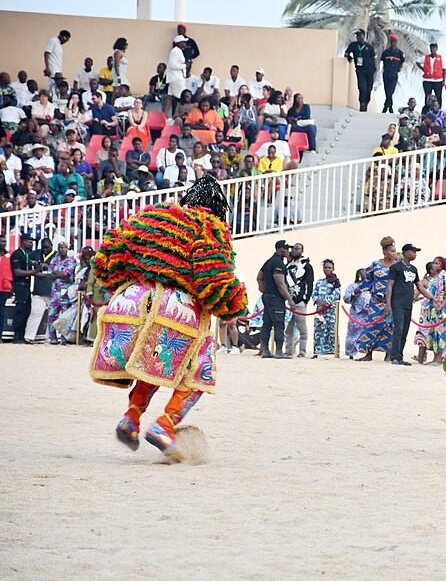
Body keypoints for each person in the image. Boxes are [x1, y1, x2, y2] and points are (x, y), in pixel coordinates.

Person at [90, 174, 244, 454]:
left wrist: (125, 285)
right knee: (199, 371)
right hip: (175, 308)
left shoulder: (154, 215)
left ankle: (131, 418)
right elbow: (213, 279)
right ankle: (166, 424)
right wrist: (235, 304)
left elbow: (108, 254)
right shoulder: (210, 227)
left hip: (131, 299)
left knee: (155, 361)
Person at [385, 244, 432, 365]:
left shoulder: (413, 269)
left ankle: (400, 356)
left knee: (405, 331)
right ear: (405, 252)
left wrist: (432, 298)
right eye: (413, 252)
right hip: (397, 303)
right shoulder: (396, 267)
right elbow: (390, 285)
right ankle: (394, 356)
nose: (415, 254)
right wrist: (388, 304)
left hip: (408, 304)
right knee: (398, 329)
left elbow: (420, 286)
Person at [257, 240, 294, 359]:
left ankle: (266, 350)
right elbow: (280, 283)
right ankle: (278, 351)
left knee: (266, 323)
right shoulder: (278, 263)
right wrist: (289, 299)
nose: (288, 251)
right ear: (281, 249)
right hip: (276, 298)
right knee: (279, 323)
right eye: (286, 249)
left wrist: (265, 290)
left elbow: (259, 278)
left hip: (268, 296)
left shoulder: (269, 261)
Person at [414, 260, 446, 364]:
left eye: (437, 263)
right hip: (431, 311)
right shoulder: (433, 279)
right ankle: (431, 358)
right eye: (434, 263)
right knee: (434, 334)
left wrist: (442, 305)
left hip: (442, 310)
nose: (435, 265)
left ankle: (438, 359)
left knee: (441, 334)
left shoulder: (445, 276)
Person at [283, 243, 314, 358]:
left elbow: (309, 283)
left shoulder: (306, 266)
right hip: (288, 300)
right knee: (288, 329)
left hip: (300, 300)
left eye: (298, 249)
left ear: (302, 250)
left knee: (302, 328)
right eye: (294, 248)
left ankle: (302, 351)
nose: (295, 250)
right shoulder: (289, 265)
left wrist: (305, 299)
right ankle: (288, 351)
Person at [45, 242, 77, 345]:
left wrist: (56, 274)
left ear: (68, 248)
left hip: (65, 293)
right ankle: (52, 338)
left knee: (64, 316)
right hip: (55, 292)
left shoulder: (71, 260)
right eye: (61, 247)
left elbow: (66, 274)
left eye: (65, 247)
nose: (62, 249)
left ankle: (64, 338)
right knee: (51, 315)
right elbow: (49, 275)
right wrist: (58, 275)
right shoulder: (55, 259)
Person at [24, 237, 54, 343]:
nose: (45, 249)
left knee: (52, 316)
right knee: (35, 312)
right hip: (39, 290)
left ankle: (50, 337)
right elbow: (27, 259)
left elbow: (55, 272)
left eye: (47, 247)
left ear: (52, 245)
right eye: (43, 247)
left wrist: (42, 269)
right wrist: (35, 265)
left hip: (52, 291)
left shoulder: (56, 255)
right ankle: (29, 336)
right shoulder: (36, 253)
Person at [10, 233, 38, 344]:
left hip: (26, 285)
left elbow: (30, 263)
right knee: (20, 310)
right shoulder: (17, 254)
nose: (32, 244)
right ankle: (17, 336)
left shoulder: (27, 254)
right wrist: (34, 271)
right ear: (24, 241)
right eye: (30, 242)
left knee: (26, 310)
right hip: (19, 285)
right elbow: (17, 272)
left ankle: (21, 335)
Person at [311, 259, 341, 357]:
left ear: (333, 269)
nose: (327, 269)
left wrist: (326, 302)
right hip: (319, 310)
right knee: (319, 329)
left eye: (329, 268)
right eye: (325, 267)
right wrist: (318, 301)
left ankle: (332, 350)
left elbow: (336, 294)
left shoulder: (336, 282)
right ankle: (318, 350)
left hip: (330, 311)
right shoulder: (320, 282)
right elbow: (314, 293)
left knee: (330, 329)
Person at [344, 29, 376, 112]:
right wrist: (349, 57)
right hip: (360, 70)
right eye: (357, 36)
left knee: (369, 88)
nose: (358, 37)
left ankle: (366, 104)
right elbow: (347, 53)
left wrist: (374, 69)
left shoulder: (369, 47)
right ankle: (362, 103)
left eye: (360, 35)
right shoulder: (353, 45)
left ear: (363, 36)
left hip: (369, 71)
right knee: (362, 87)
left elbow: (373, 59)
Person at [165, 35, 190, 118]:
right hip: (176, 78)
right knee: (182, 97)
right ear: (179, 43)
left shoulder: (177, 51)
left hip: (174, 78)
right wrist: (184, 66)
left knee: (170, 98)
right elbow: (172, 65)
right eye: (183, 42)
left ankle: (164, 116)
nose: (185, 43)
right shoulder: (176, 51)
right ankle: (179, 115)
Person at [379, 34, 404, 113]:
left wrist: (399, 68)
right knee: (387, 91)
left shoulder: (399, 53)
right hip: (386, 73)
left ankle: (386, 106)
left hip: (394, 74)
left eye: (395, 42)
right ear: (390, 42)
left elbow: (402, 61)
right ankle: (389, 106)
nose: (393, 43)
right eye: (392, 41)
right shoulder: (385, 52)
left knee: (391, 91)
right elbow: (382, 61)